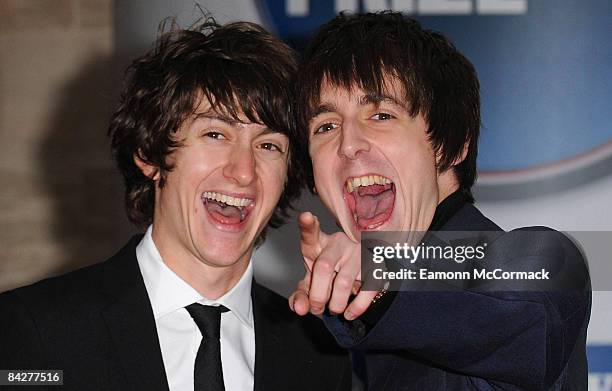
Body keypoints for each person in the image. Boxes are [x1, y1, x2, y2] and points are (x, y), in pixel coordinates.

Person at [0, 18, 351, 391]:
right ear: (149, 154)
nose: (244, 172)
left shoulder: (318, 351)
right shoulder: (36, 329)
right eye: (215, 134)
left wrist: (382, 263)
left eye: (269, 146)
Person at [289, 11, 591, 390]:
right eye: (326, 126)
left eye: (381, 115)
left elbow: (523, 319)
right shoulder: (338, 332)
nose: (347, 145)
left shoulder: (542, 262)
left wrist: (383, 278)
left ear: (450, 145)